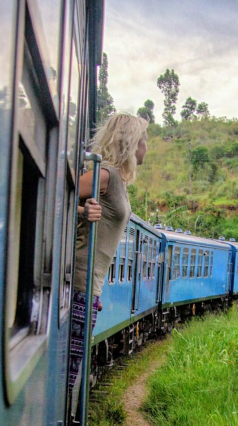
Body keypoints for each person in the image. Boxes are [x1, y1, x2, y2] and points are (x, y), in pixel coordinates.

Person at [68, 114, 148, 398]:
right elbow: (55, 194)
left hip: (91, 285)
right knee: (68, 370)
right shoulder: (107, 175)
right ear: (130, 142)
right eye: (143, 140)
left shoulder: (118, 181)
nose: (145, 148)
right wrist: (81, 211)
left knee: (73, 365)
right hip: (80, 281)